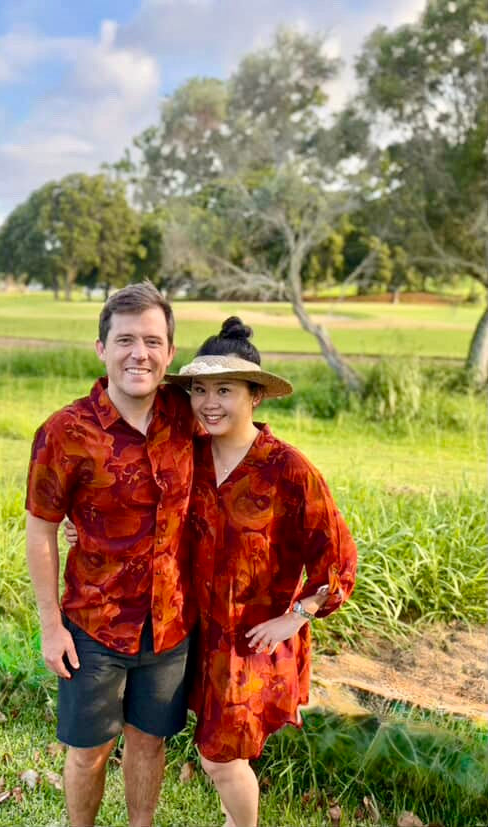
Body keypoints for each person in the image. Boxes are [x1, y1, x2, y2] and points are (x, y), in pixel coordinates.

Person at [163, 317, 358, 827]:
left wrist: (297, 616)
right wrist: (80, 530)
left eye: (224, 390)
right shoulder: (188, 457)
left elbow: (337, 559)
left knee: (219, 759)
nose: (209, 403)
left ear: (256, 396)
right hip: (197, 635)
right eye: (200, 390)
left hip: (252, 642)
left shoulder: (288, 469)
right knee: (222, 751)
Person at [25, 282, 198, 827]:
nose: (138, 354)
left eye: (152, 341)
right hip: (93, 626)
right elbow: (41, 531)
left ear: (170, 352)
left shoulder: (187, 415)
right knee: (89, 752)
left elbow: (240, 432)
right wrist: (51, 627)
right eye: (125, 340)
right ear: (101, 348)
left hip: (169, 626)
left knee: (148, 742)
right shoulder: (65, 432)